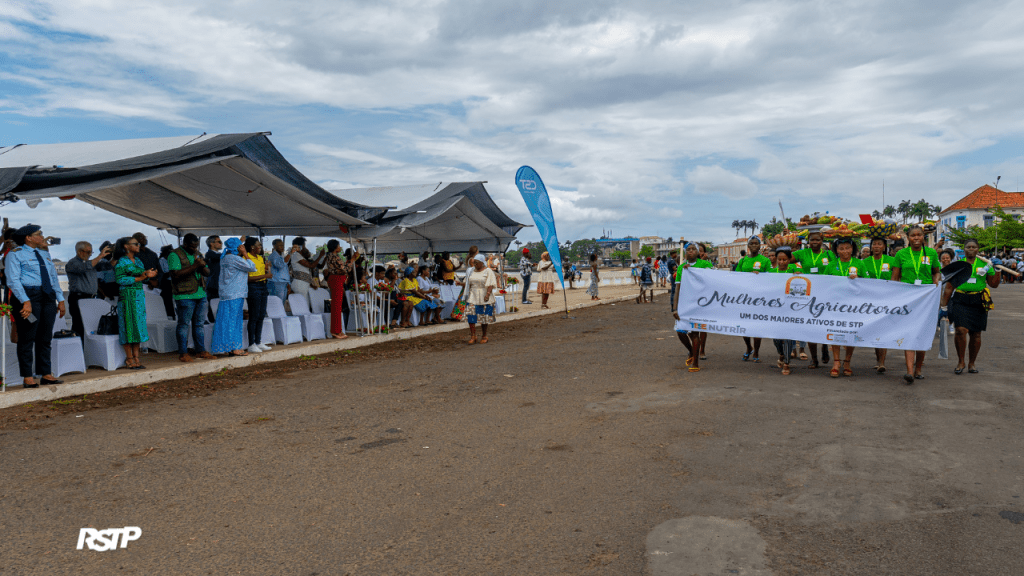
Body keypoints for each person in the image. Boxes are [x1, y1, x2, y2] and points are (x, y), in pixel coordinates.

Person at [6, 225, 67, 387]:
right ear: (29, 238)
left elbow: (53, 278)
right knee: (27, 336)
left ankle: (46, 374)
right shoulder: (15, 254)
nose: (42, 236)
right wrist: (25, 301)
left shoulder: (44, 254)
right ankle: (27, 377)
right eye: (39, 234)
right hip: (27, 297)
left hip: (47, 297)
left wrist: (60, 300)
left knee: (45, 336)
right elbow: (13, 280)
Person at [891, 225, 941, 384]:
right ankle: (910, 371)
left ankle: (918, 367)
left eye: (919, 235)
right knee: (909, 334)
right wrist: (894, 298)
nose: (916, 238)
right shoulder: (901, 254)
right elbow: (895, 278)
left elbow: (936, 272)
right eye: (913, 236)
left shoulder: (931, 253)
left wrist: (936, 281)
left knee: (922, 334)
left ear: (923, 237)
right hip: (907, 298)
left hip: (926, 298)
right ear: (908, 237)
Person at [941, 238, 999, 375]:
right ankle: (961, 361)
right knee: (961, 330)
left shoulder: (985, 264)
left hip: (979, 299)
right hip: (960, 299)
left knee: (976, 333)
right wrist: (943, 306)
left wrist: (996, 269)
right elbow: (949, 287)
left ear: (978, 249)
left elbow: (994, 284)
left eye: (974, 247)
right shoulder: (959, 264)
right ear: (964, 249)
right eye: (968, 247)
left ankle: (972, 363)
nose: (971, 249)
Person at [791, 231, 837, 369]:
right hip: (808, 294)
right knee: (810, 326)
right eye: (812, 240)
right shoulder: (802, 253)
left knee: (823, 324)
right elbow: (785, 259)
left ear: (822, 240)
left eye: (817, 240)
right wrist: (795, 270)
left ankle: (824, 346)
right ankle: (814, 359)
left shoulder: (829, 255)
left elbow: (835, 270)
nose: (814, 242)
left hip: (825, 294)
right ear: (808, 241)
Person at [167, 233, 213, 362]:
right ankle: (183, 353)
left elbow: (208, 273)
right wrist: (194, 266)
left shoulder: (197, 254)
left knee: (199, 325)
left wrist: (202, 265)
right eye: (192, 247)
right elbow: (175, 275)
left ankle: (201, 351)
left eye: (196, 246)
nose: (194, 249)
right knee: (184, 324)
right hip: (184, 295)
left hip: (200, 293)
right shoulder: (174, 255)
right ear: (185, 244)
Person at [113, 236, 156, 370]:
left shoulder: (138, 260)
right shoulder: (121, 261)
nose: (138, 245)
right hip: (127, 297)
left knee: (137, 326)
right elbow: (120, 279)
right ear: (126, 246)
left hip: (138, 296)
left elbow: (143, 278)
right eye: (135, 243)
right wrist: (140, 277)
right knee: (127, 326)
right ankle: (129, 358)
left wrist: (149, 275)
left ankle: (137, 357)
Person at [824, 237, 864, 377]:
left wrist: (859, 279)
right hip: (835, 305)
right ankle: (836, 362)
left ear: (852, 249)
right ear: (836, 250)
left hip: (854, 306)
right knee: (835, 332)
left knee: (850, 333)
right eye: (841, 248)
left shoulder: (860, 263)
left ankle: (847, 361)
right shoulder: (831, 265)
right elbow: (824, 284)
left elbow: (869, 284)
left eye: (847, 248)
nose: (845, 251)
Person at [672, 243, 714, 372]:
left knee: (695, 332)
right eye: (688, 249)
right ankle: (691, 351)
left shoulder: (705, 265)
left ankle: (695, 363)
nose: (691, 251)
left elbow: (713, 281)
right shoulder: (681, 268)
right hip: (685, 303)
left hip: (700, 304)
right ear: (685, 253)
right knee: (680, 331)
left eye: (693, 249)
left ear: (698, 252)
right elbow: (677, 289)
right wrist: (675, 308)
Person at [211, 238, 255, 356]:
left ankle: (230, 347)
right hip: (234, 294)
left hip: (228, 293)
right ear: (237, 247)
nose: (242, 248)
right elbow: (252, 267)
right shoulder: (235, 259)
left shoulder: (225, 258)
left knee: (228, 321)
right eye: (241, 246)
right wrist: (245, 254)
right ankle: (234, 348)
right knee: (234, 322)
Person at [862, 237, 898, 372]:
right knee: (875, 330)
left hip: (887, 299)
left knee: (883, 329)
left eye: (879, 244)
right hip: (870, 300)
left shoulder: (892, 261)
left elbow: (897, 278)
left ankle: (882, 362)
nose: (876, 246)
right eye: (874, 244)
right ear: (871, 247)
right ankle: (878, 359)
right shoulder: (864, 262)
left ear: (884, 247)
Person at [734, 236, 771, 362]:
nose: (754, 245)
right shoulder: (742, 261)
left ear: (760, 246)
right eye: (752, 243)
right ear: (748, 246)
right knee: (743, 325)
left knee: (757, 326)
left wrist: (761, 276)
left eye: (756, 243)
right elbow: (736, 276)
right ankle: (748, 347)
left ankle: (756, 352)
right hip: (744, 298)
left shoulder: (765, 260)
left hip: (759, 298)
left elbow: (772, 277)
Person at [66, 241, 110, 341]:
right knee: (79, 325)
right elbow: (84, 268)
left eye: (91, 252)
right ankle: (78, 349)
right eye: (88, 252)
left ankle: (86, 350)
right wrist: (99, 256)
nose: (90, 255)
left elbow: (108, 266)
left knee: (90, 325)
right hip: (78, 297)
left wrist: (115, 255)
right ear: (79, 252)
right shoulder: (72, 263)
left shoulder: (92, 263)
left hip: (90, 298)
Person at [766, 245, 798, 375]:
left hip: (790, 310)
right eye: (779, 259)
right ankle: (781, 354)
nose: (781, 262)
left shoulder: (794, 271)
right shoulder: (771, 273)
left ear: (789, 259)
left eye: (784, 260)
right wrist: (756, 276)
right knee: (777, 338)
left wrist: (799, 276)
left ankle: (787, 363)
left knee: (788, 337)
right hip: (776, 310)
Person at [244, 237, 273, 353]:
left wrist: (266, 270)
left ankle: (258, 341)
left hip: (262, 286)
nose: (260, 248)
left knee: (261, 315)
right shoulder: (246, 258)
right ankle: (251, 344)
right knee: (254, 316)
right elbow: (247, 278)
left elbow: (263, 273)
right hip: (253, 287)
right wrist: (264, 276)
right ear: (252, 247)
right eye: (259, 245)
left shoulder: (261, 258)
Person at [465, 254, 497, 344]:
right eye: (474, 262)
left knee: (484, 317)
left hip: (484, 295)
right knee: (471, 315)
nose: (475, 264)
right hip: (473, 295)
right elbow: (468, 283)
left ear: (482, 263)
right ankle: (473, 336)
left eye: (476, 263)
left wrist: (487, 294)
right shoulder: (472, 271)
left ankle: (484, 335)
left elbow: (490, 284)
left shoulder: (488, 271)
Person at [321, 240, 350, 339]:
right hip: (336, 279)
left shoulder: (330, 256)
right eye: (339, 246)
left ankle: (337, 330)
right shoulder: (334, 256)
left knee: (336, 305)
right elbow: (344, 269)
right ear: (335, 247)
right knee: (337, 306)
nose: (340, 247)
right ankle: (336, 331)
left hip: (336, 280)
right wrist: (352, 260)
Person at [288, 237, 324, 301]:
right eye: (304, 245)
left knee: (305, 304)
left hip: (303, 283)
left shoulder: (299, 256)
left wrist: (310, 284)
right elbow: (311, 266)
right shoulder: (296, 255)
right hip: (300, 284)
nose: (305, 247)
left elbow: (305, 271)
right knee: (303, 305)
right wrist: (320, 256)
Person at [267, 239, 290, 304]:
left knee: (281, 304)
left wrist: (288, 283)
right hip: (276, 283)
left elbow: (284, 272)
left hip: (282, 283)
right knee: (277, 304)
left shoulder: (280, 256)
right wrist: (290, 254)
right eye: (280, 245)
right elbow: (280, 265)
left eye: (282, 245)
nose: (282, 247)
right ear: (274, 246)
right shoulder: (274, 256)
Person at [157, 244, 176, 319]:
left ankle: (173, 314)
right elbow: (163, 273)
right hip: (166, 283)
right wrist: (172, 272)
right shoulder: (161, 261)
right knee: (167, 301)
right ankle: (169, 315)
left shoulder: (172, 260)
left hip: (173, 282)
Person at [204, 236, 223, 301]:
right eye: (219, 242)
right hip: (214, 287)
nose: (221, 243)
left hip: (220, 287)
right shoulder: (210, 254)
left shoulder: (218, 254)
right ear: (212, 244)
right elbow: (223, 256)